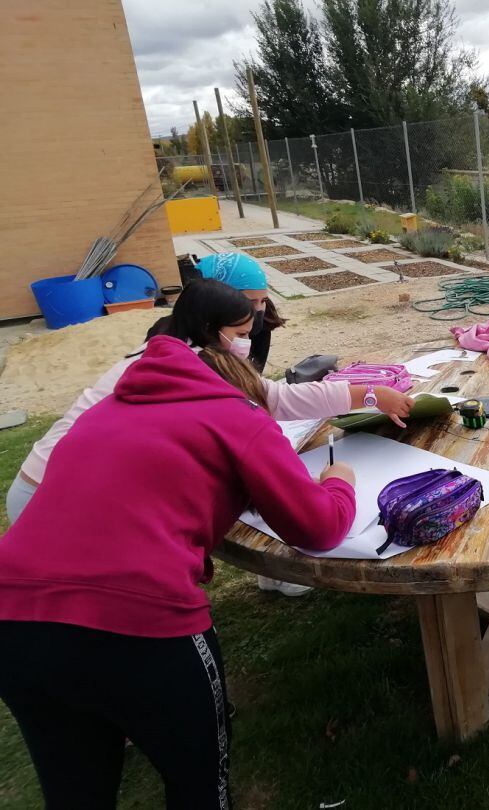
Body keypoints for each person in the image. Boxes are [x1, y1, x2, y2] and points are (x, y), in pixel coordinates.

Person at [0, 332, 357, 809]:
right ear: (247, 388)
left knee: (74, 791)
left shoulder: (107, 409)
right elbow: (319, 526)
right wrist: (339, 484)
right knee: (198, 789)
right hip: (143, 624)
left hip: (14, 617)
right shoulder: (239, 413)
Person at [5, 281, 411, 597]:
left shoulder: (177, 358)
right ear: (208, 329)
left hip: (66, 488)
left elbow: (275, 397)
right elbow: (317, 524)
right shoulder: (186, 380)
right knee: (106, 607)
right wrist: (339, 482)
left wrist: (367, 394)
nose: (247, 343)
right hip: (56, 492)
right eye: (239, 332)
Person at [148, 252, 283, 373]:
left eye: (263, 300)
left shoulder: (262, 324)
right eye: (250, 302)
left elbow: (255, 374)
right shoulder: (171, 333)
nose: (259, 310)